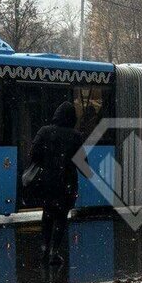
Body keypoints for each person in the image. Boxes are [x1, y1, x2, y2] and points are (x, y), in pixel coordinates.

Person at [30, 102, 85, 265]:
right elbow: (82, 163)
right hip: (66, 184)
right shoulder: (75, 136)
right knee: (61, 217)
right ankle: (54, 252)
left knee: (47, 215)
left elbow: (34, 155)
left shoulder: (44, 131)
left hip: (47, 182)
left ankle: (44, 249)